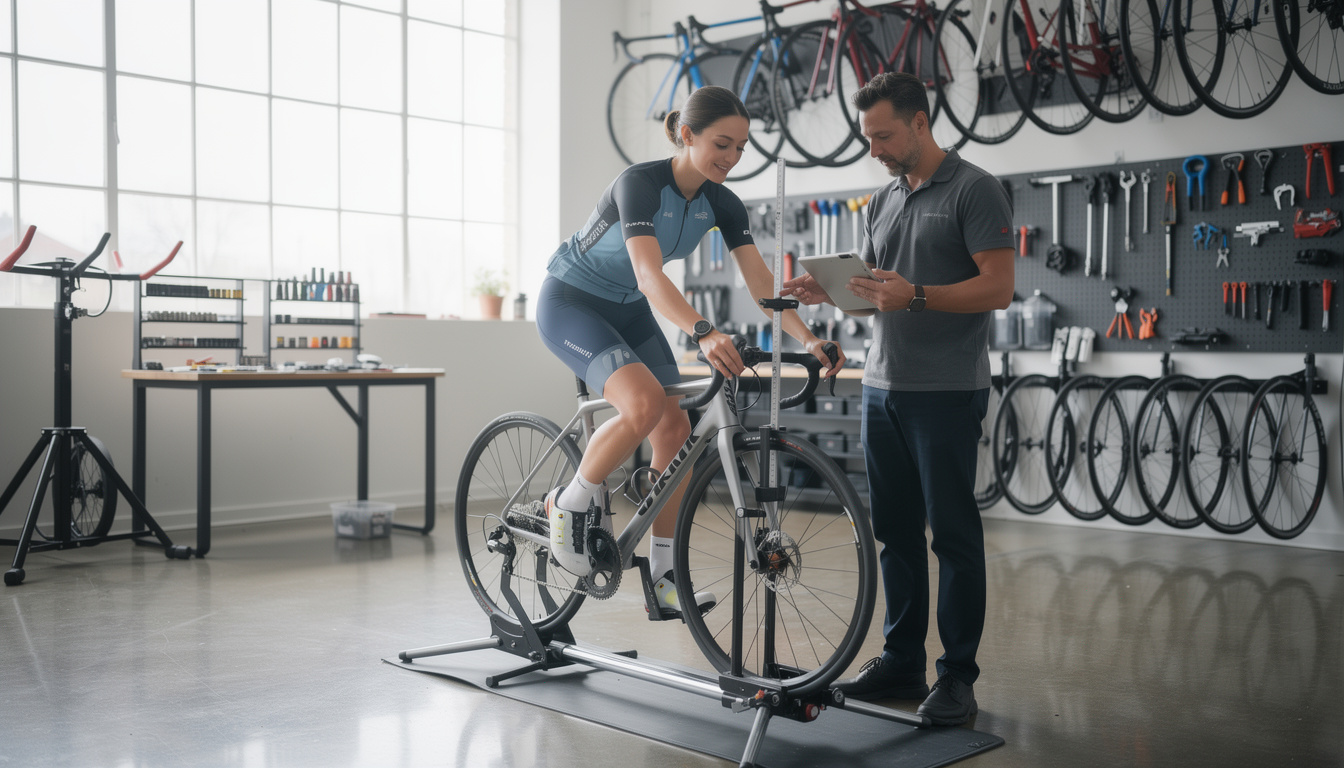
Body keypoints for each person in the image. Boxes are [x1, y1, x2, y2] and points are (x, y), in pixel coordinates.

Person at [537, 85, 843, 618]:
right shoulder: (639, 184)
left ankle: (663, 577)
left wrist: (810, 339)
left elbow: (762, 284)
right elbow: (648, 273)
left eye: (741, 148)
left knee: (675, 430)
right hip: (572, 301)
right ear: (687, 135)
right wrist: (703, 331)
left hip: (629, 309)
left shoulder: (721, 202)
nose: (732, 158)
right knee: (643, 404)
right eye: (722, 144)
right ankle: (566, 504)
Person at [781, 72, 1014, 726]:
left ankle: (957, 678)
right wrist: (833, 292)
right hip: (881, 388)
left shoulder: (975, 189)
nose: (874, 148)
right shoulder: (883, 199)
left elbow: (998, 288)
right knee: (895, 535)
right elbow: (875, 295)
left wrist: (917, 296)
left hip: (947, 391)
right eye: (868, 137)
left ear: (919, 122)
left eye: (883, 135)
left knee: (954, 538)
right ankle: (902, 659)